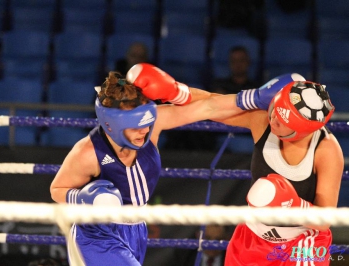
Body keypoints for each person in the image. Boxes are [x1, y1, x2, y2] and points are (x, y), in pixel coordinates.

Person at [50, 63, 302, 265]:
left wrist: (255, 97)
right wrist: (84, 199)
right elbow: (57, 189)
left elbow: (208, 107)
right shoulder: (87, 152)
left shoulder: (152, 126)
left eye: (147, 123)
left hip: (136, 229)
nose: (144, 131)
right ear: (112, 125)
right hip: (96, 234)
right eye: (136, 127)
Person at [127, 64, 343, 265]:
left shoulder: (326, 150)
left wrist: (293, 205)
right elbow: (213, 104)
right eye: (274, 111)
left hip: (302, 242)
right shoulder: (263, 119)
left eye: (282, 122)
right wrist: (174, 91)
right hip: (253, 236)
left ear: (303, 132)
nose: (274, 120)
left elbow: (325, 220)